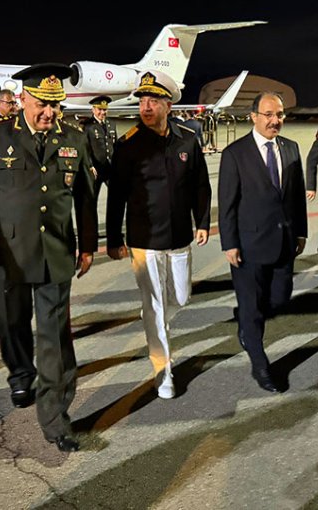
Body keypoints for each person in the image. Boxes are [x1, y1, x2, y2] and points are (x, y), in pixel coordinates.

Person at [0, 63, 97, 453]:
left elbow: (85, 198)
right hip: (7, 254)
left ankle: (55, 418)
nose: (49, 113)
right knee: (13, 324)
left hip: (55, 252)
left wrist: (87, 245)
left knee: (55, 338)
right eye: (41, 104)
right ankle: (21, 374)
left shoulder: (74, 138)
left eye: (55, 105)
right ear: (23, 99)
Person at [106, 71, 211, 399]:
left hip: (179, 236)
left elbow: (200, 184)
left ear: (169, 105)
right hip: (144, 240)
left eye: (153, 101)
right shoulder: (128, 145)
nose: (146, 107)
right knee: (154, 306)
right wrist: (113, 238)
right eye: (143, 101)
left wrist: (202, 221)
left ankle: (155, 316)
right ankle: (162, 369)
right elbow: (116, 196)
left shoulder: (187, 140)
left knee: (180, 297)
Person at [218, 91, 307, 392]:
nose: (275, 120)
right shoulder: (235, 153)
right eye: (268, 114)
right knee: (252, 307)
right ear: (253, 117)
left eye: (279, 114)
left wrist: (301, 231)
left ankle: (247, 322)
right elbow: (227, 203)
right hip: (249, 244)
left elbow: (296, 196)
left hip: (284, 241)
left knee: (280, 297)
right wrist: (229, 243)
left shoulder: (291, 148)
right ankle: (260, 364)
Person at [82, 95, 117, 199]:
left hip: (110, 167)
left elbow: (115, 146)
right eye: (99, 109)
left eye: (104, 110)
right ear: (93, 109)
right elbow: (85, 148)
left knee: (116, 197)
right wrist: (90, 165)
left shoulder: (111, 124)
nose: (102, 112)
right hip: (96, 169)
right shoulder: (88, 126)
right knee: (92, 199)